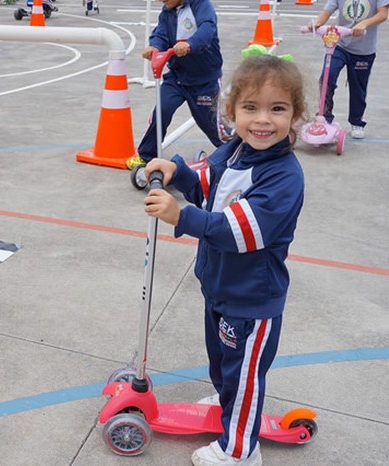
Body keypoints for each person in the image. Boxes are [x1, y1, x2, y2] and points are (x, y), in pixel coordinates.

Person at [142, 54, 307, 466]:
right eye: (250, 108)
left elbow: (240, 231)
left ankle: (240, 450)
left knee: (245, 374)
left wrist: (181, 216)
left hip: (252, 299)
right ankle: (226, 396)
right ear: (231, 113)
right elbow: (207, 183)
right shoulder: (234, 151)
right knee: (221, 360)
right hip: (219, 287)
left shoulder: (283, 177)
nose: (262, 120)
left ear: (295, 115)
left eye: (277, 109)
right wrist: (177, 173)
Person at [127, 0, 226, 170]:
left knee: (211, 124)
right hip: (177, 77)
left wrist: (190, 44)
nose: (161, 1)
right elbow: (161, 34)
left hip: (204, 80)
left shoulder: (200, 5)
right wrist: (154, 46)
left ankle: (234, 152)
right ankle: (146, 155)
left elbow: (207, 29)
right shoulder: (167, 12)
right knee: (162, 110)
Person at [310, 0, 389, 139]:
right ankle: (325, 117)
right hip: (339, 45)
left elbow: (383, 14)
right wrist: (317, 23)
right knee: (327, 78)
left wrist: (364, 23)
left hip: (364, 50)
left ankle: (356, 121)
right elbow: (328, 9)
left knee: (358, 87)